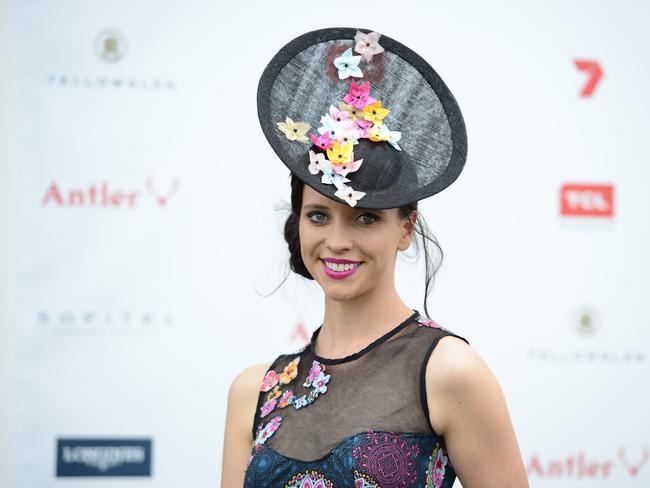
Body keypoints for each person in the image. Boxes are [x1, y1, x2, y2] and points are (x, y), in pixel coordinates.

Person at [221, 27, 529, 487]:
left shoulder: (450, 372)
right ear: (299, 222)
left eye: (365, 219)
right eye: (320, 216)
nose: (338, 241)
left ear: (405, 229)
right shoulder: (254, 391)